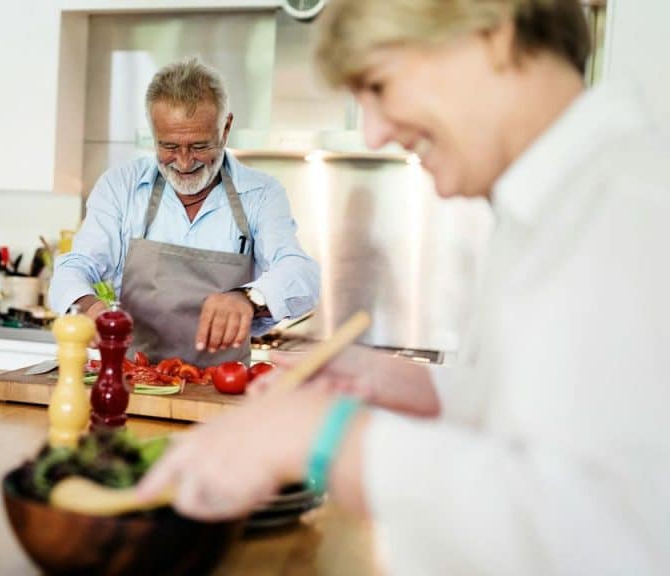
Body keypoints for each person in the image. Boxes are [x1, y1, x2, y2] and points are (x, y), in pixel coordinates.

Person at [138, 1, 670, 574]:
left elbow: (622, 538)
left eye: (380, 83)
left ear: (490, 35)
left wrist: (332, 437)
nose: (374, 130)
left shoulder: (634, 208)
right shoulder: (555, 204)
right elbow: (556, 430)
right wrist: (426, 390)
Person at [48, 57, 319, 366]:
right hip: (134, 380)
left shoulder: (261, 194)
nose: (185, 162)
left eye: (200, 146)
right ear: (153, 133)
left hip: (220, 389)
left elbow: (302, 274)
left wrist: (249, 298)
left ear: (226, 127)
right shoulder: (120, 186)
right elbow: (76, 265)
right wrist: (87, 305)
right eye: (170, 146)